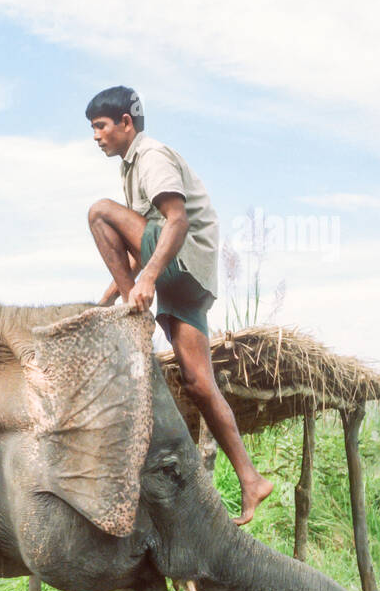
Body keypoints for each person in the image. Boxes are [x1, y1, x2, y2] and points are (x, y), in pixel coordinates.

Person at [84, 85, 272, 525]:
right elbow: (139, 241)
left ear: (125, 124)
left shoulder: (150, 157)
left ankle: (137, 308)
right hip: (190, 281)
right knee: (198, 383)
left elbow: (176, 221)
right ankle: (251, 479)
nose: (96, 137)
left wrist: (141, 285)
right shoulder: (131, 169)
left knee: (98, 212)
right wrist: (108, 297)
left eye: (100, 127)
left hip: (180, 264)